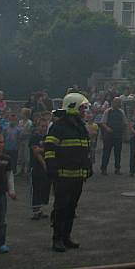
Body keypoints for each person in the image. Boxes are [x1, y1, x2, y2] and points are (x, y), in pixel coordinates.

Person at [44, 93, 93, 252]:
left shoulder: (80, 127)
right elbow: (49, 149)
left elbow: (85, 150)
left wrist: (88, 167)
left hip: (77, 176)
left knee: (72, 208)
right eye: (82, 107)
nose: (84, 110)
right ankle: (56, 239)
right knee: (61, 208)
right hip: (63, 176)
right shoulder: (58, 126)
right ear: (72, 107)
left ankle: (66, 237)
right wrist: (52, 168)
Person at [28, 117, 50, 221]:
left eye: (45, 126)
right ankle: (35, 211)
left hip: (45, 168)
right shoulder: (34, 137)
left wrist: (42, 150)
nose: (44, 128)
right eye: (42, 126)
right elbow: (35, 152)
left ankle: (40, 210)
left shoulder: (47, 137)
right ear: (38, 126)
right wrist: (44, 163)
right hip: (36, 166)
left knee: (44, 188)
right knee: (36, 188)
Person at [100, 97, 127, 175]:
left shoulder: (121, 112)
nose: (118, 104)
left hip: (118, 135)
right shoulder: (107, 111)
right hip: (109, 135)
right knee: (106, 152)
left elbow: (125, 123)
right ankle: (104, 168)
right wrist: (107, 128)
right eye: (116, 102)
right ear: (113, 102)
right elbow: (102, 122)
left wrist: (124, 134)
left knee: (117, 153)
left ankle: (117, 168)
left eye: (119, 102)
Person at [17, 108, 34, 175]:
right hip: (20, 141)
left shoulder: (29, 122)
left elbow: (29, 132)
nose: (21, 114)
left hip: (26, 140)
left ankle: (26, 170)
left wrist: (24, 135)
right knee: (20, 155)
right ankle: (19, 170)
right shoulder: (20, 122)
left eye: (22, 113)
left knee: (26, 155)